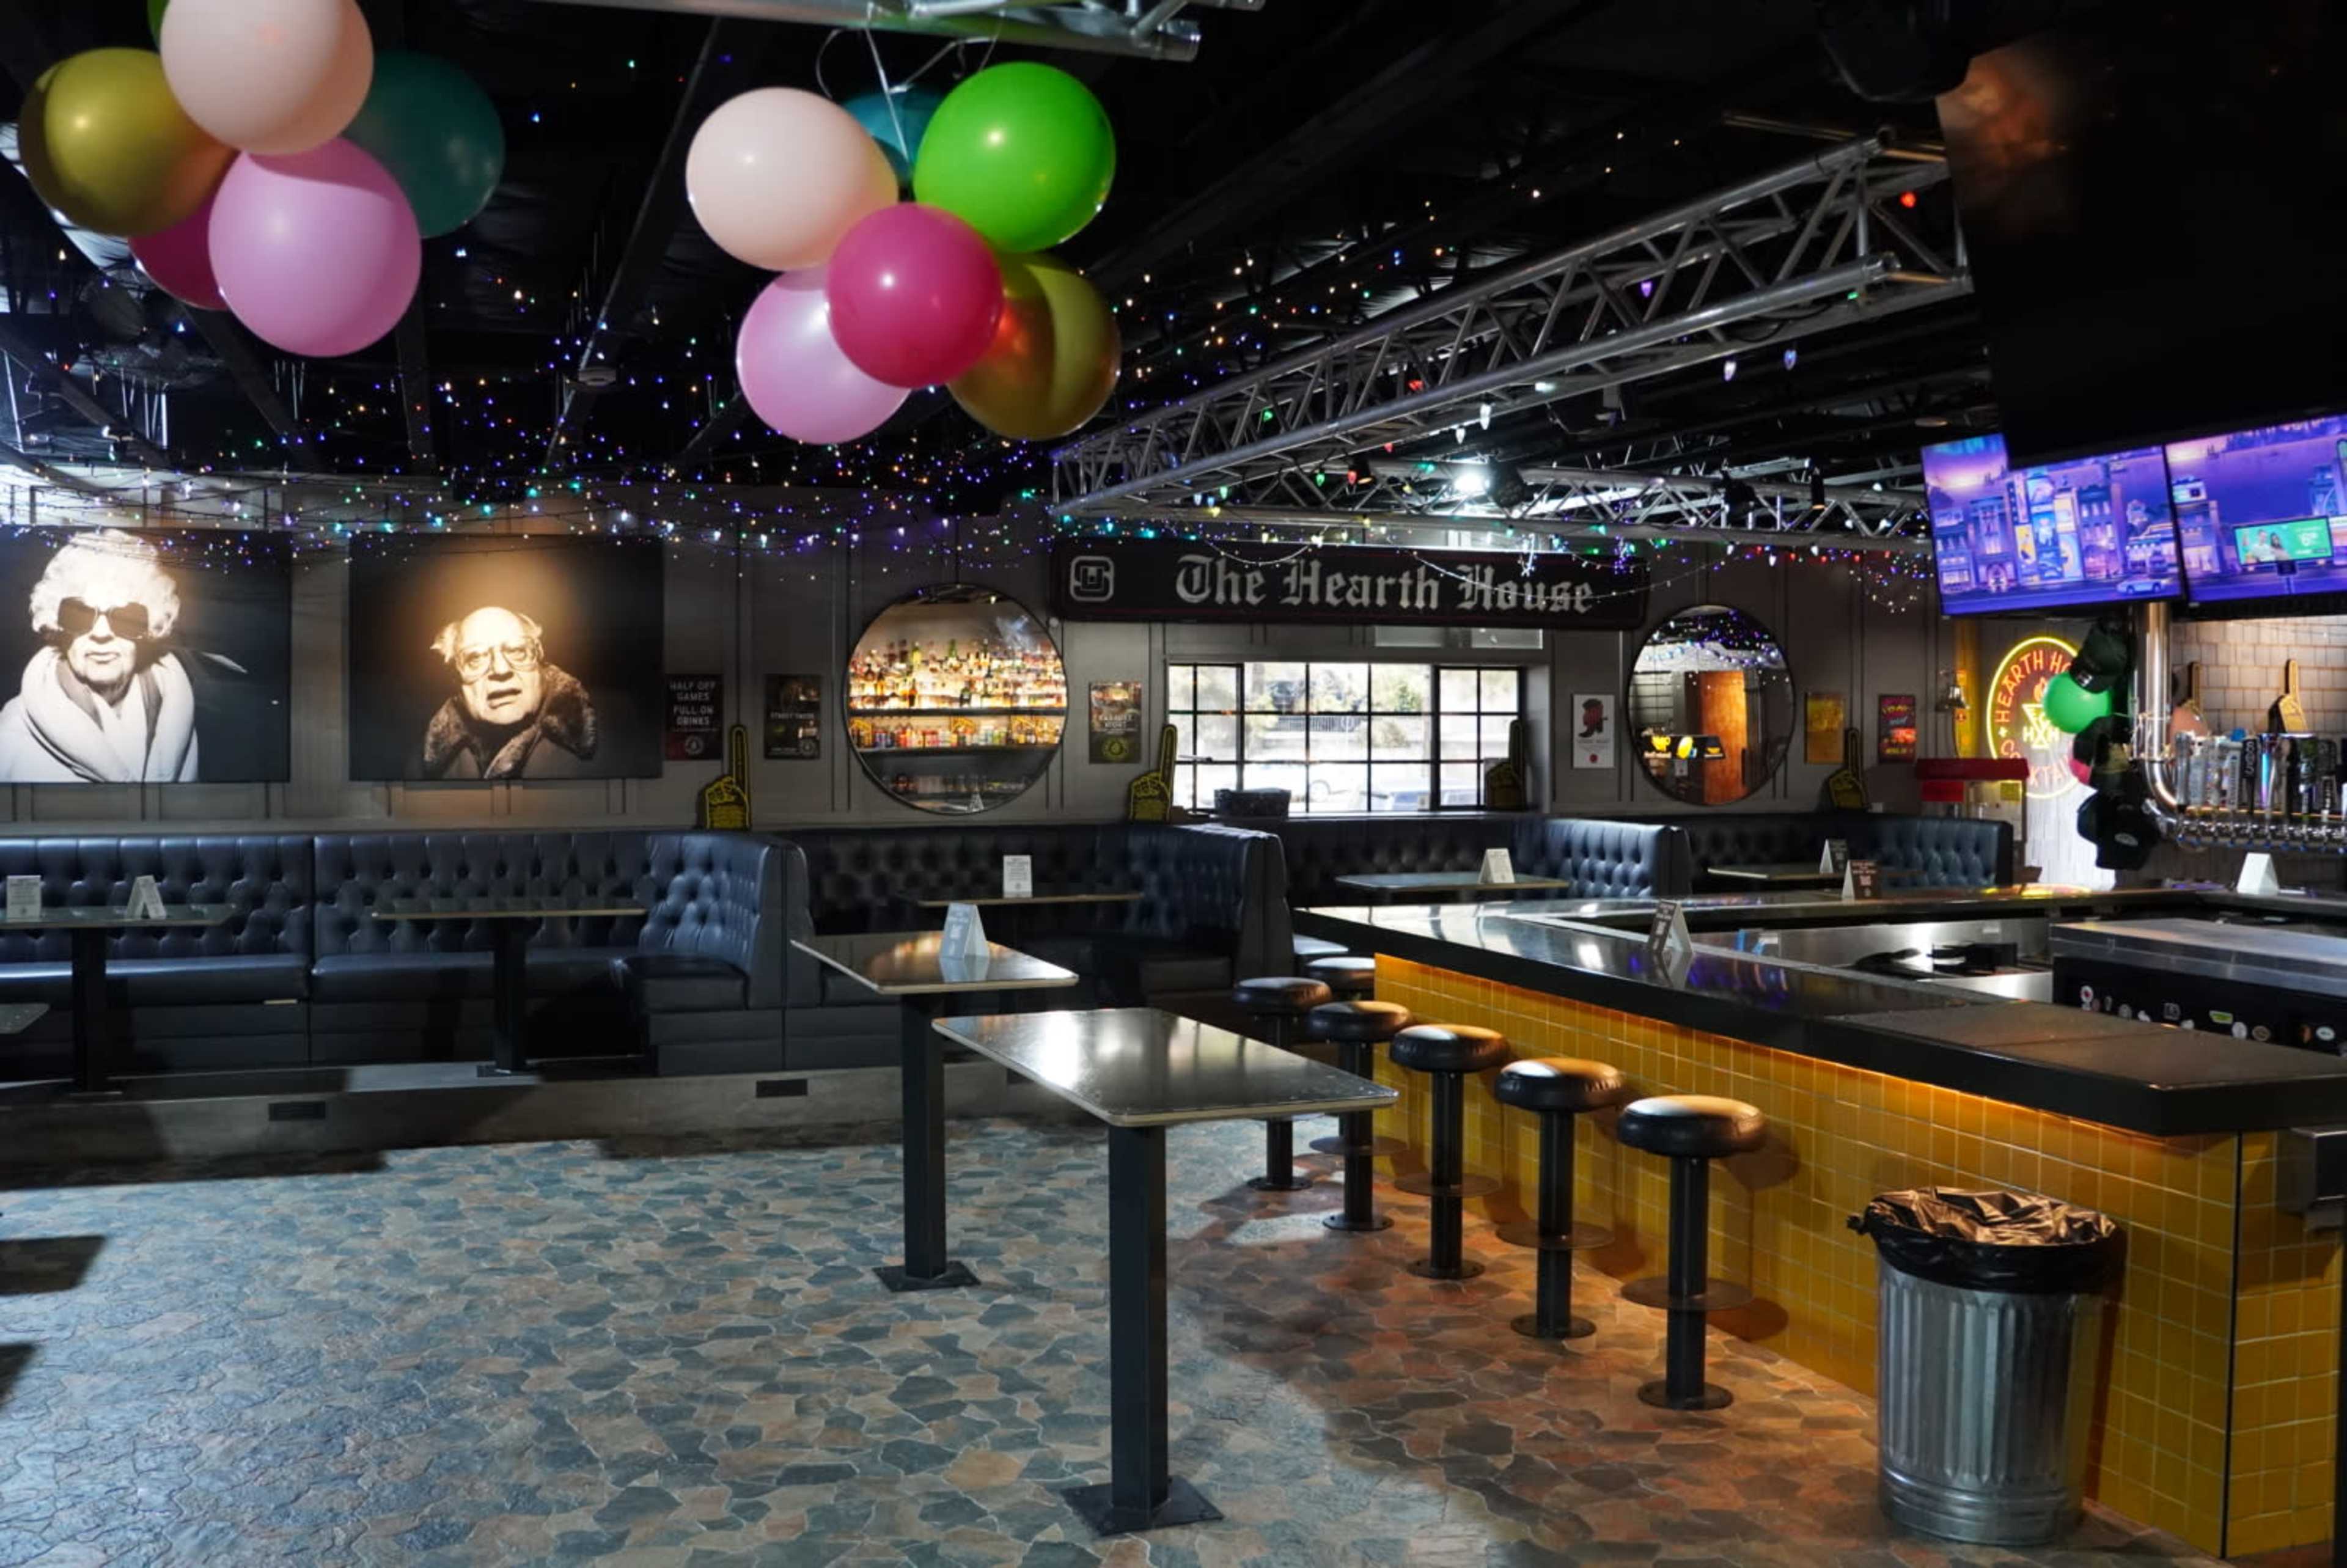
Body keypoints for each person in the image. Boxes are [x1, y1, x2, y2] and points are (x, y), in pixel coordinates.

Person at [0, 529, 197, 782]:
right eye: (80, 615)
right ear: (56, 625)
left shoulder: (178, 715)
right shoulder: (12, 735)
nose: (101, 633)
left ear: (150, 627)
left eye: (127, 618)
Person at [420, 605, 598, 779]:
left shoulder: (617, 750)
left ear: (539, 658)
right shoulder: (420, 767)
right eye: (475, 658)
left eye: (517, 651)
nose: (501, 670)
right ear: (455, 678)